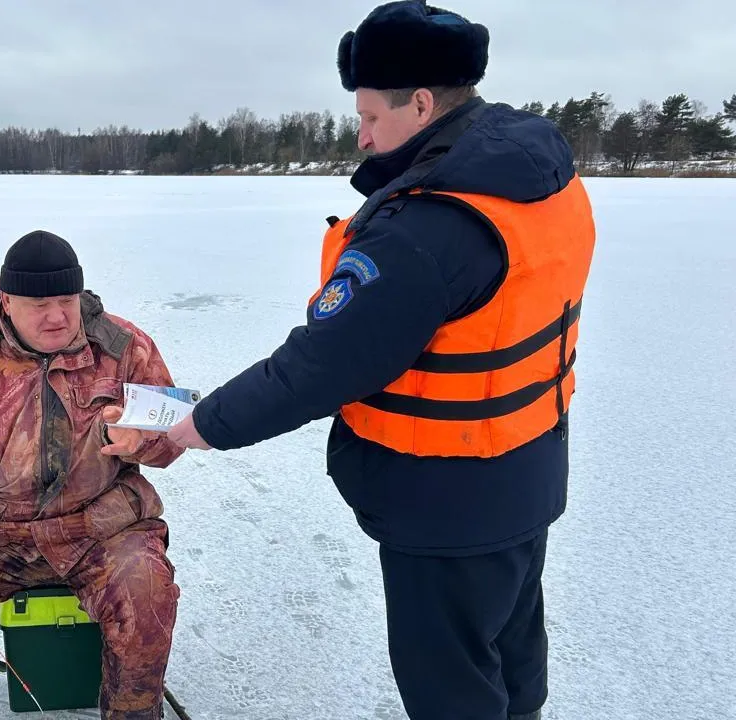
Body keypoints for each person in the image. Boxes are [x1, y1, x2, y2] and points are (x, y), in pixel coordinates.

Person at [166, 2, 596, 719]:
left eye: (368, 116)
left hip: (448, 505)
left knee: (451, 688)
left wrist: (199, 425)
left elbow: (319, 366)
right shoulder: (542, 182)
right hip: (527, 473)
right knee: (513, 663)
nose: (361, 136)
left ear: (422, 102)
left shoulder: (425, 231)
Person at [0, 230, 185, 720]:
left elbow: (175, 430)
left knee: (146, 584)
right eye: (39, 304)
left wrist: (144, 440)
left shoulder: (124, 346)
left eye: (67, 300)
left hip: (101, 527)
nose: (57, 317)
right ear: (6, 302)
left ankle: (134, 711)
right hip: (1, 534)